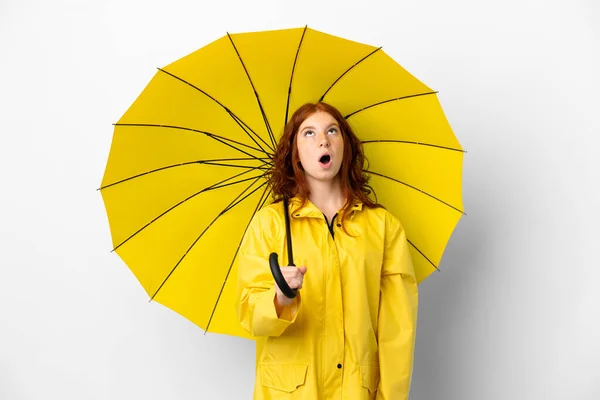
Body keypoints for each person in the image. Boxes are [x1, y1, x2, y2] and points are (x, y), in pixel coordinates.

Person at [235, 102, 418, 400]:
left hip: (356, 390)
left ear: (344, 146)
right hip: (289, 392)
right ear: (294, 152)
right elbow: (250, 316)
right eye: (308, 133)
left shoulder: (383, 226)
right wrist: (280, 297)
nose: (323, 140)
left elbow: (398, 330)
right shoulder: (270, 224)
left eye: (332, 130)